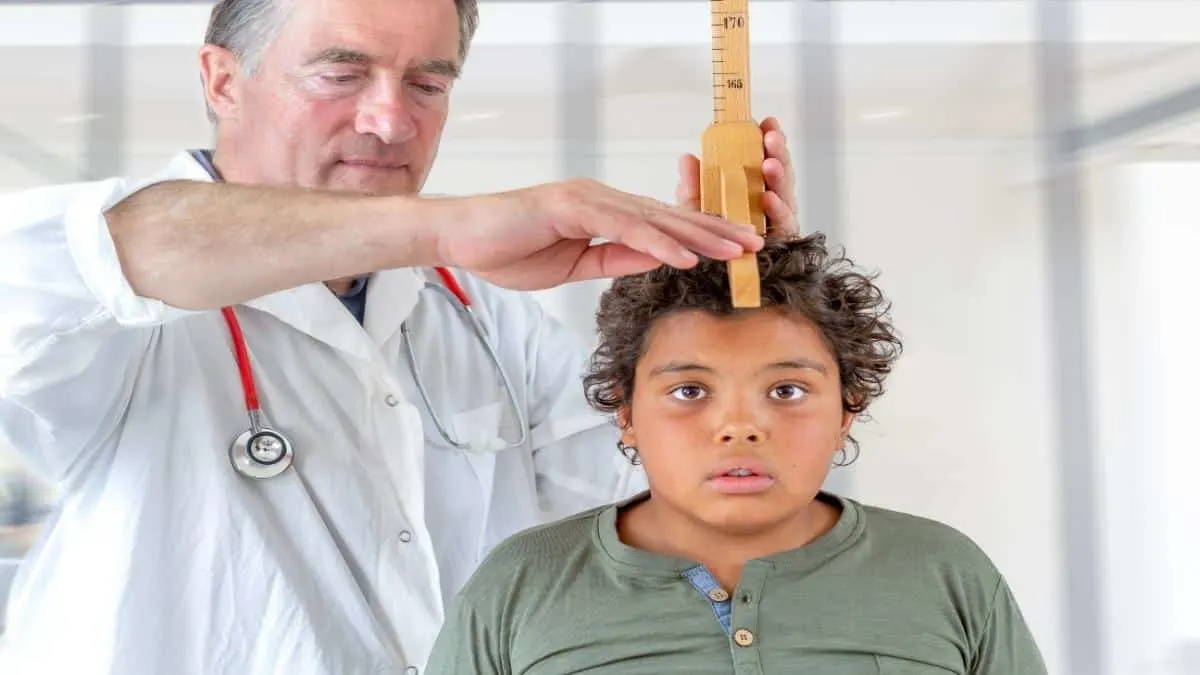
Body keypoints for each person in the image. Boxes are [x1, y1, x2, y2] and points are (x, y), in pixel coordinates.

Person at [0, 0, 801, 672]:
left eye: (426, 82)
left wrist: (737, 294)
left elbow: (664, 519)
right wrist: (447, 226)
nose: (389, 120)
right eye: (340, 74)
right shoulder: (112, 309)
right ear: (221, 80)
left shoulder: (485, 316)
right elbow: (121, 245)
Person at [423, 234, 1049, 675]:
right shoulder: (520, 584)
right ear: (625, 410)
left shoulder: (945, 572)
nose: (740, 427)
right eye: (689, 391)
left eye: (787, 391)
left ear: (847, 409)